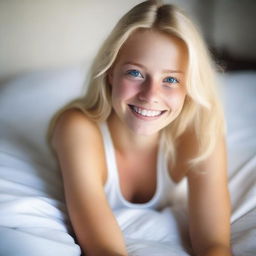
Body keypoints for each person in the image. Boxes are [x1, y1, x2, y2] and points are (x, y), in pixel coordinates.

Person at [47, 0, 231, 255]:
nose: (150, 95)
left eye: (170, 79)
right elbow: (103, 249)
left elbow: (215, 245)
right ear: (111, 72)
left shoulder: (200, 134)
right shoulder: (77, 129)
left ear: (190, 85)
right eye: (135, 73)